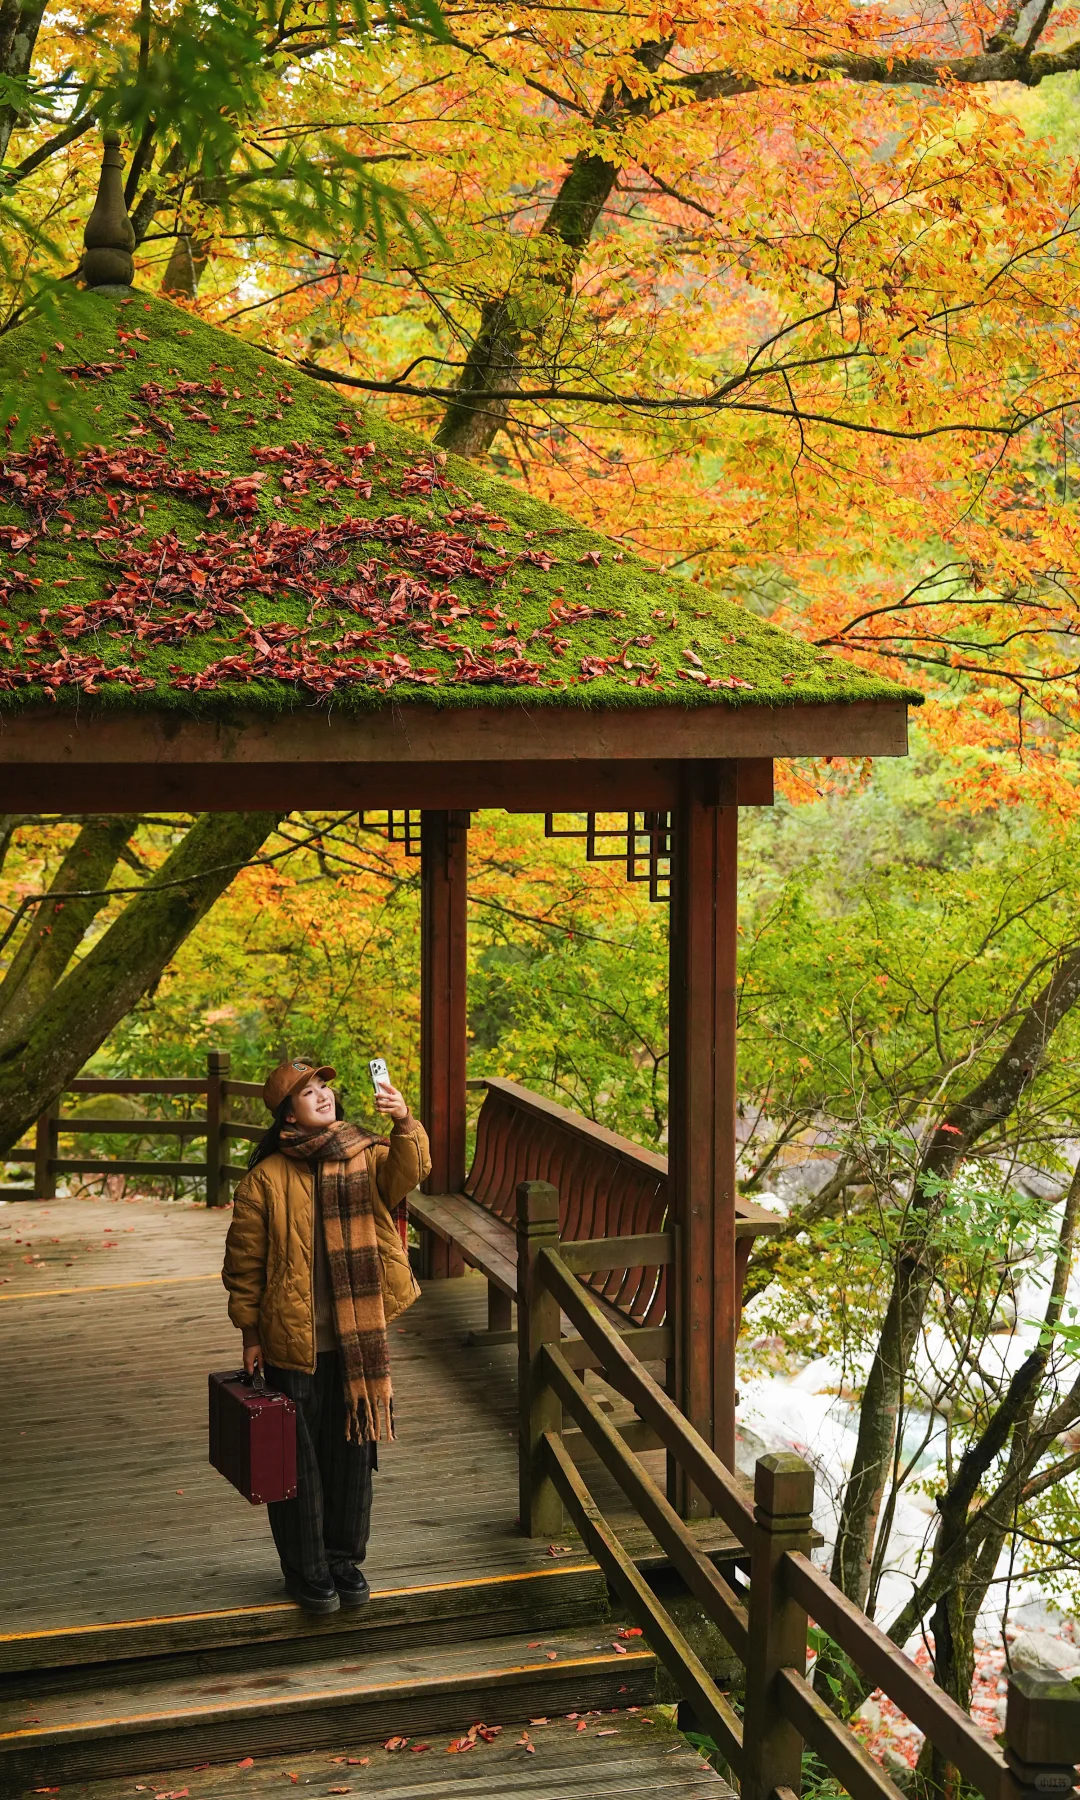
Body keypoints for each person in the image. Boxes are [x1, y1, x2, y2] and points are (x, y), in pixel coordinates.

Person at [222, 1056, 430, 1615]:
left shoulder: (365, 1155)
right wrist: (249, 1332)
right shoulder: (264, 1180)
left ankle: (343, 1560)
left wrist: (405, 1122)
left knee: (352, 1454)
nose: (321, 1096)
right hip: (294, 1339)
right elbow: (245, 1266)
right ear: (286, 1111)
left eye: (323, 1087)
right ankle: (306, 1570)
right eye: (306, 1090)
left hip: (356, 1338)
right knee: (299, 1464)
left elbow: (410, 1171)